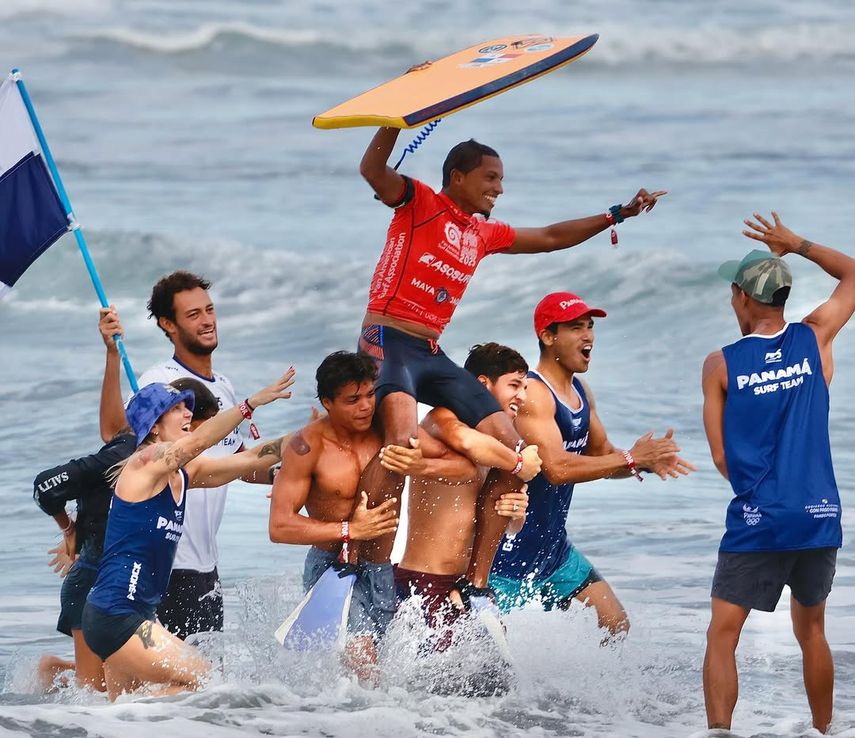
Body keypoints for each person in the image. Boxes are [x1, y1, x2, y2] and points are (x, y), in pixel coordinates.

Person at [356, 127, 667, 608]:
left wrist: (616, 214)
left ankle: (476, 583)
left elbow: (547, 237)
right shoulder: (418, 203)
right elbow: (372, 171)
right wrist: (394, 120)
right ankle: (365, 570)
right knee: (400, 446)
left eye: (501, 179)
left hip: (430, 351)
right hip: (387, 339)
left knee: (514, 450)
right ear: (456, 177)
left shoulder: (482, 234)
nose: (499, 188)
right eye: (490, 178)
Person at [701, 213, 855, 734]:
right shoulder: (815, 338)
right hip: (819, 515)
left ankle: (721, 733)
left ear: (744, 298)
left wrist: (760, 497)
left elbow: (721, 457)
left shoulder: (720, 364)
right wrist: (800, 244)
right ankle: (825, 730)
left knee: (724, 633)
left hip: (761, 518)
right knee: (812, 630)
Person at [33, 309, 222, 693]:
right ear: (162, 423)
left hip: (123, 588)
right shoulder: (124, 454)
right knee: (95, 697)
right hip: (94, 581)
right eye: (188, 421)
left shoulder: (166, 458)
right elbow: (46, 486)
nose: (194, 436)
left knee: (124, 699)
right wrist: (71, 530)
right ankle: (51, 675)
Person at [489, 292, 694, 638]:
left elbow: (602, 456)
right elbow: (555, 468)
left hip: (553, 550)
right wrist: (631, 458)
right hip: (509, 553)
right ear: (548, 336)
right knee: (497, 666)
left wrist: (642, 463)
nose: (588, 336)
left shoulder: (580, 390)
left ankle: (582, 694)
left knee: (615, 626)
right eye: (575, 328)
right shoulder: (534, 393)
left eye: (590, 327)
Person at [82, 368, 295, 700]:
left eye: (187, 408)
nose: (187, 414)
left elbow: (253, 457)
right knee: (208, 686)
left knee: (124, 721)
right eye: (177, 408)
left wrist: (316, 433)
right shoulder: (144, 462)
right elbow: (198, 441)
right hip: (116, 616)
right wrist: (249, 404)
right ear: (154, 426)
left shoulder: (184, 472)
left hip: (131, 617)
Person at [268, 351, 476, 681]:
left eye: (369, 395)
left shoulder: (389, 431)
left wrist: (423, 466)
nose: (365, 406)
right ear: (327, 402)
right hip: (333, 568)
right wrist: (350, 529)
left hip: (380, 569)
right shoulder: (307, 447)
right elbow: (279, 526)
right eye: (352, 400)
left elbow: (465, 468)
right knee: (367, 670)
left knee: (383, 671)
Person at [100, 273, 248, 641]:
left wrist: (304, 462)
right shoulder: (160, 382)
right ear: (169, 324)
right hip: (168, 566)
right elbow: (115, 433)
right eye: (194, 314)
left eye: (210, 310)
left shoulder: (225, 387)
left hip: (206, 568)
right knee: (172, 689)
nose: (207, 320)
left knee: (207, 691)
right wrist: (112, 354)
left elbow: (242, 462)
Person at [382, 343, 535, 635]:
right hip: (423, 581)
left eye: (525, 387)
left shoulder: (500, 447)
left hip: (467, 586)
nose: (522, 397)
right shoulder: (442, 419)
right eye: (514, 385)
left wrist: (516, 512)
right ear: (482, 385)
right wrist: (519, 461)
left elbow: (510, 527)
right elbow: (465, 442)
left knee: (498, 680)